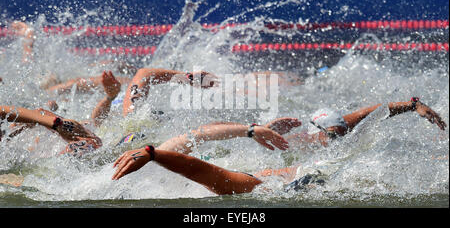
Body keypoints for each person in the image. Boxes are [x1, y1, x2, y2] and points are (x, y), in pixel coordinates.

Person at [111, 97, 447, 195]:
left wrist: (251, 130)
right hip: (305, 178)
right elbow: (204, 169)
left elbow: (200, 149)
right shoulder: (249, 184)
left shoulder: (239, 183)